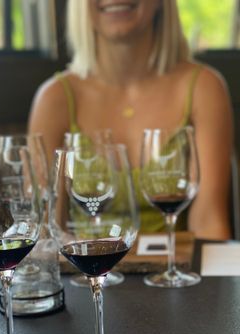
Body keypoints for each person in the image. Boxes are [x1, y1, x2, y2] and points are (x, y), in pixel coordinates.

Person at [28, 0, 233, 240]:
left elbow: (209, 225)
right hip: (87, 272)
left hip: (175, 273)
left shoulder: (204, 87)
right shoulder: (54, 98)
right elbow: (43, 231)